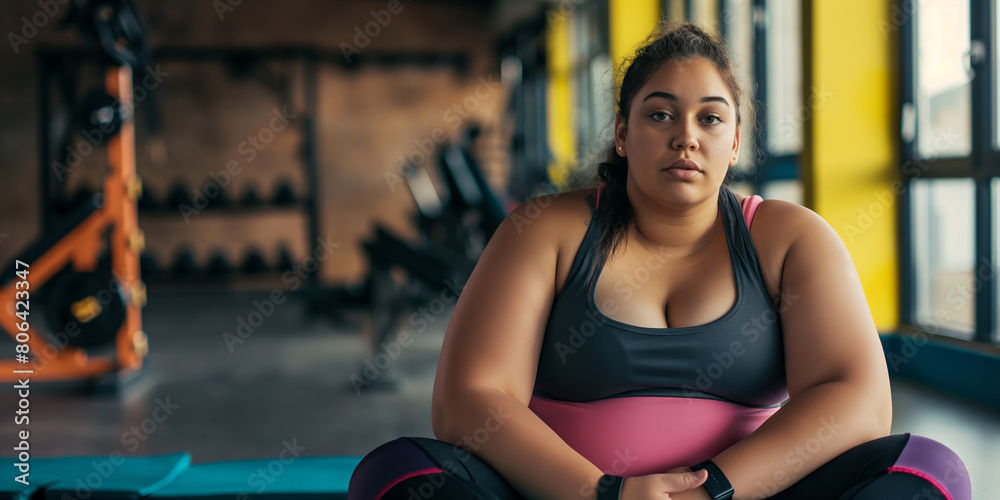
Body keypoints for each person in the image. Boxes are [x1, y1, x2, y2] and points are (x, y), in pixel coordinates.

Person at [348, 22, 972, 500]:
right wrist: (607, 493)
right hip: (571, 496)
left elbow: (858, 398)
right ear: (623, 134)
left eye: (710, 118)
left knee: (930, 471)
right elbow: (469, 399)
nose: (686, 137)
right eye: (660, 114)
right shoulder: (545, 231)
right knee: (398, 472)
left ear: (733, 143)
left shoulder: (789, 238)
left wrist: (713, 489)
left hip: (745, 495)